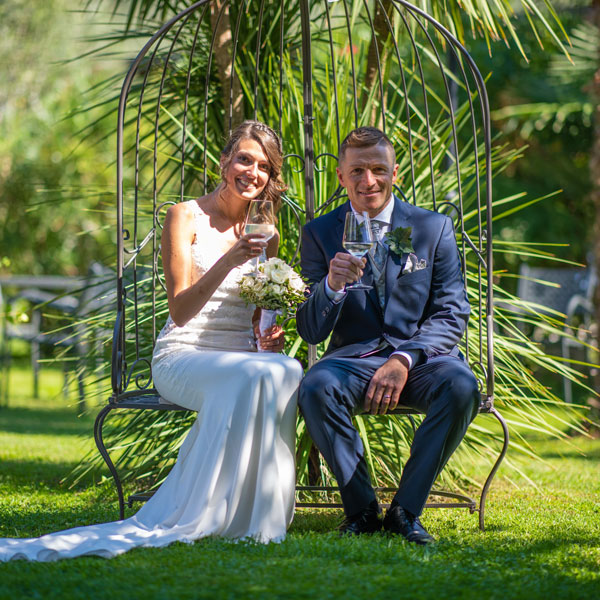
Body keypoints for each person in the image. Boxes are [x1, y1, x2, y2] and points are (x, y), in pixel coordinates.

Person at [0, 120, 303, 561]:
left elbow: (260, 310)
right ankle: (203, 512)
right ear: (225, 161)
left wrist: (268, 332)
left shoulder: (266, 234)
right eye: (243, 159)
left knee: (287, 367)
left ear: (270, 176)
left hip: (241, 358)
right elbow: (180, 310)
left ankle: (261, 517)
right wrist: (228, 260)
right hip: (185, 355)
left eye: (263, 166)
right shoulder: (185, 216)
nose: (251, 172)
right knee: (255, 374)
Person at [296, 126, 479, 545]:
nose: (369, 181)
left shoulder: (433, 228)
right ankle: (361, 510)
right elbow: (309, 328)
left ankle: (405, 511)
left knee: (462, 384)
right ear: (341, 176)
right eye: (357, 170)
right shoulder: (319, 233)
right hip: (353, 362)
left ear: (395, 173)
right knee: (316, 386)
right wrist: (331, 287)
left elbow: (452, 312)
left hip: (419, 361)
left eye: (379, 169)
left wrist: (403, 360)